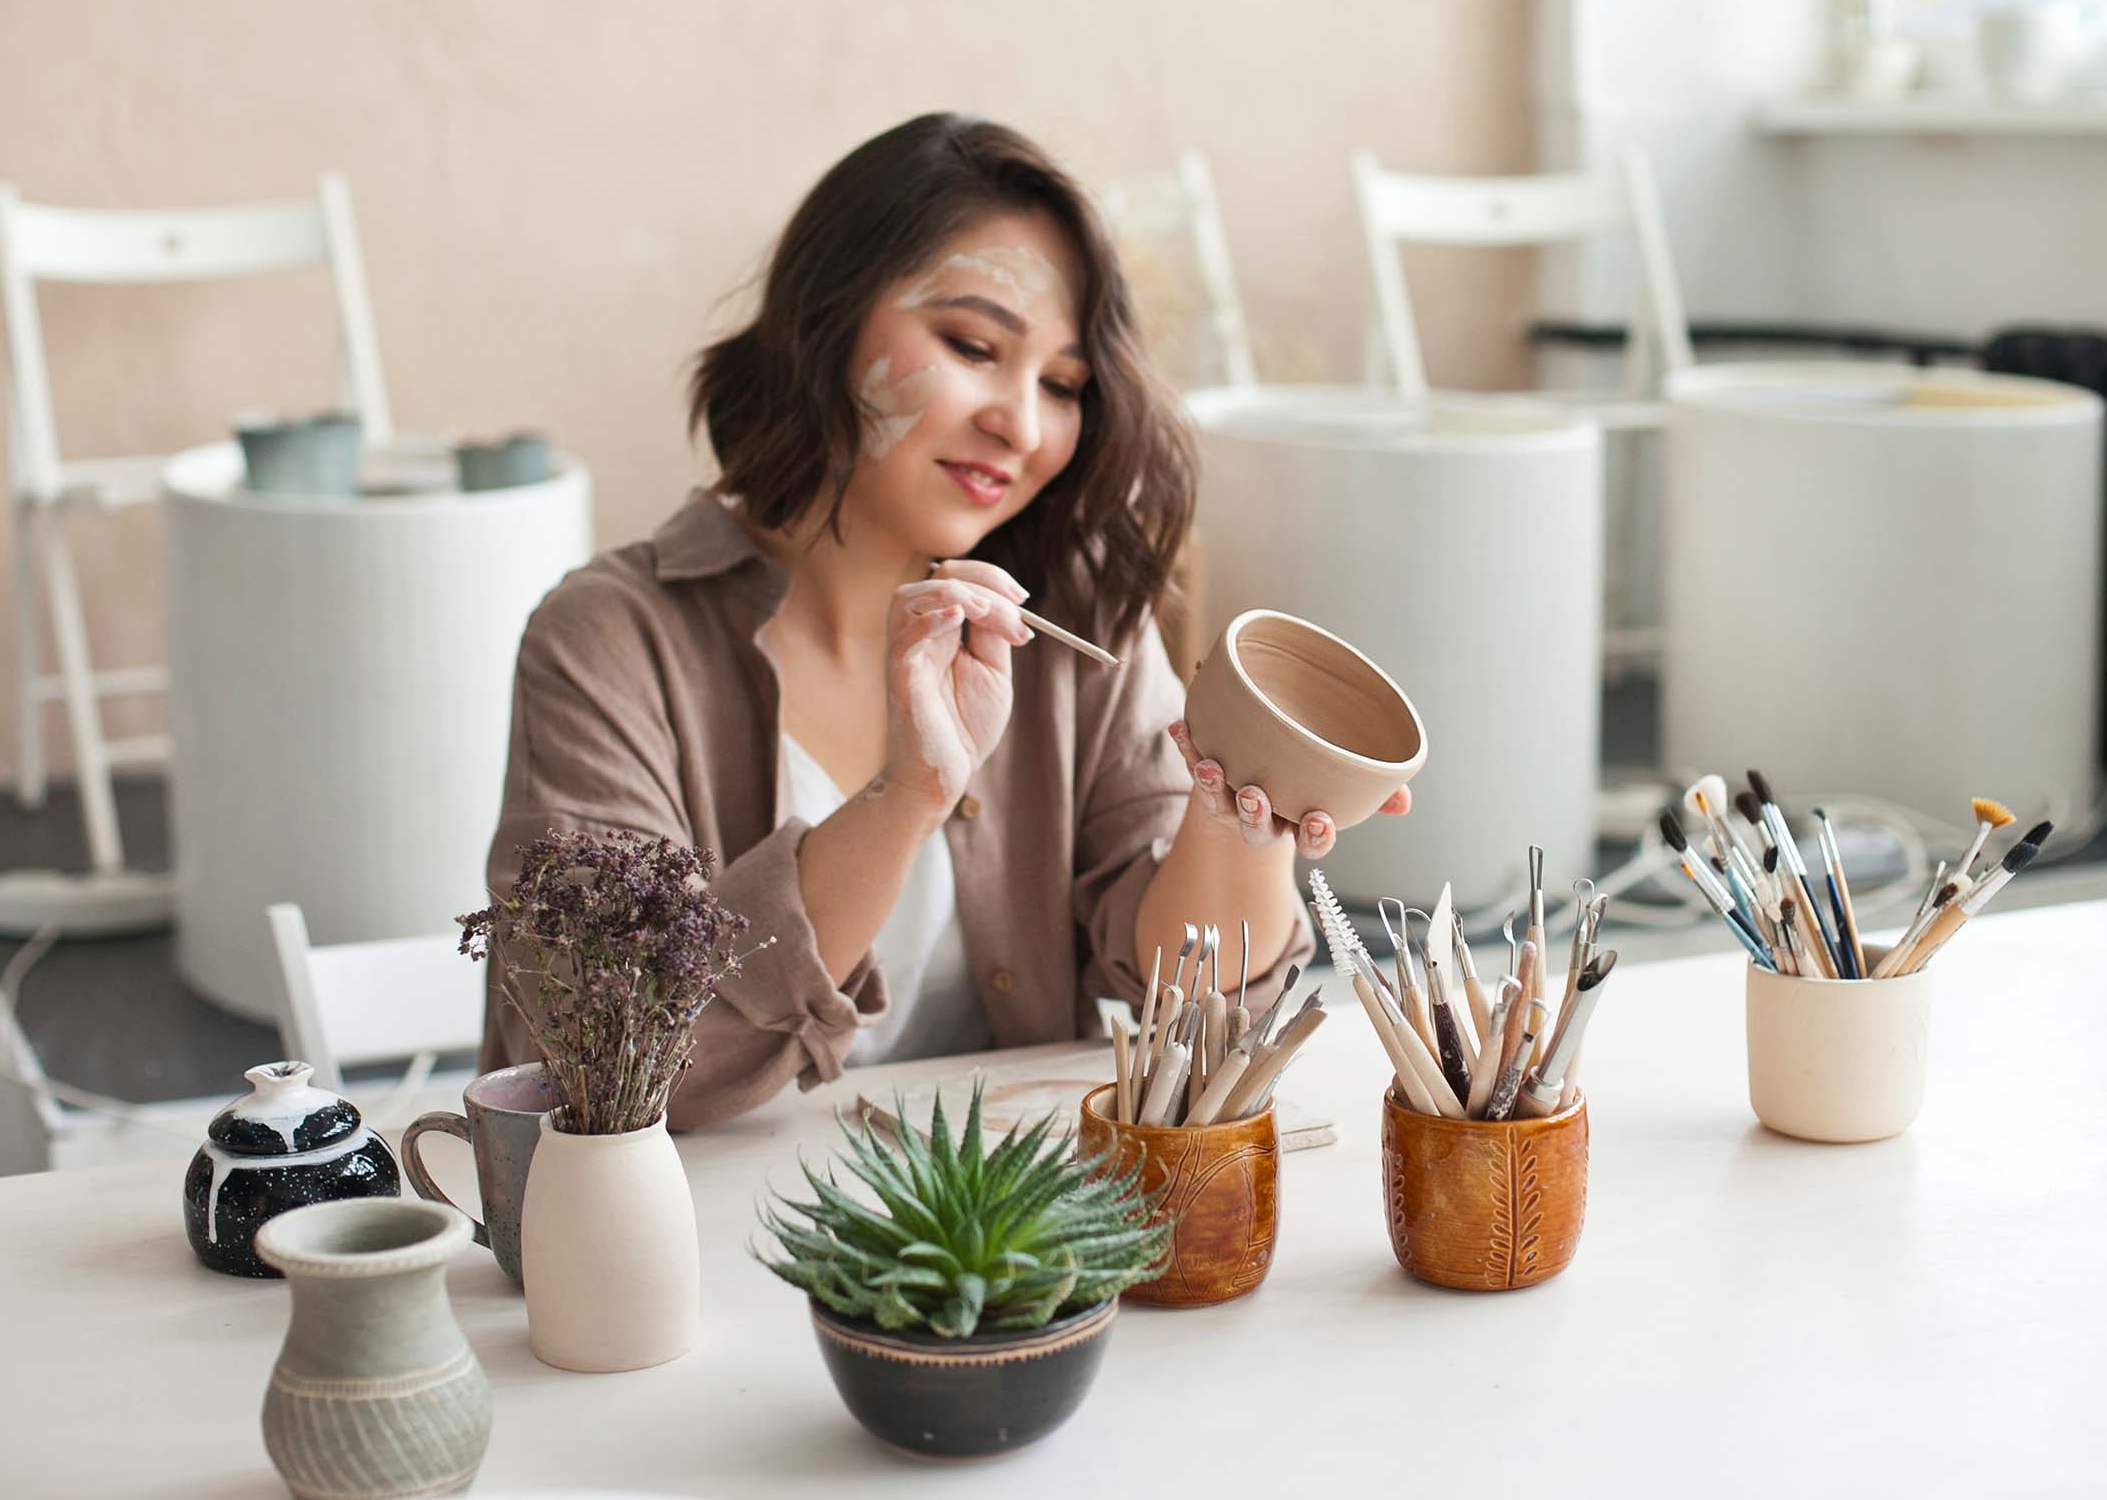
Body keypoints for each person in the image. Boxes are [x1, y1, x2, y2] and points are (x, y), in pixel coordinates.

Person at [477, 114, 1408, 1128]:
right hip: (674, 1250)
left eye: (1063, 386)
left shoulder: (1073, 616)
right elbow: (597, 1059)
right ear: (826, 322)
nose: (1021, 422)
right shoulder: (609, 642)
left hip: (1000, 1253)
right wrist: (906, 793)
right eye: (972, 346)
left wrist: (1246, 823)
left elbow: (1190, 1011)